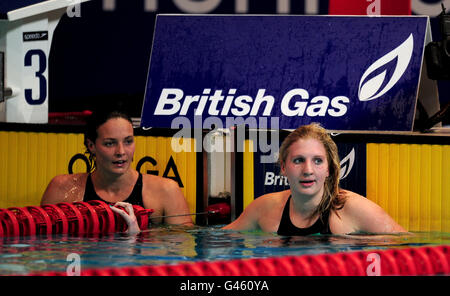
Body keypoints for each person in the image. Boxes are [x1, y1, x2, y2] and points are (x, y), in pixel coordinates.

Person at [223, 123, 406, 235]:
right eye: (298, 160)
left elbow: (411, 249)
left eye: (317, 161)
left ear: (329, 169)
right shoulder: (264, 208)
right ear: (284, 167)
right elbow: (219, 241)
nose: (308, 170)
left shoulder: (353, 209)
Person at [40, 108, 193, 231]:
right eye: (109, 143)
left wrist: (140, 238)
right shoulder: (62, 189)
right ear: (91, 145)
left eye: (128, 141)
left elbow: (180, 254)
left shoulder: (166, 191)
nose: (121, 151)